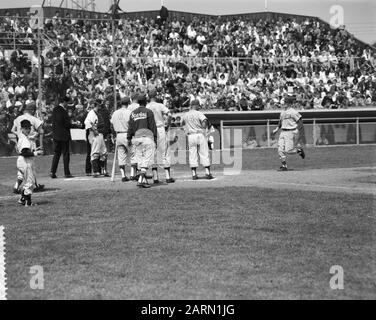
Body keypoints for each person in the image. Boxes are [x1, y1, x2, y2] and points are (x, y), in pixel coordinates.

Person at [12, 102, 45, 192]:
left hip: (20, 142)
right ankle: (32, 187)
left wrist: (18, 136)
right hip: (29, 143)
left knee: (24, 167)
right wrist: (40, 145)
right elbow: (41, 131)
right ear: (32, 110)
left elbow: (12, 129)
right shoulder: (33, 118)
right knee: (30, 166)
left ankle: (17, 186)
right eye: (34, 110)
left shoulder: (18, 118)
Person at [127, 93, 158, 188]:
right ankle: (140, 180)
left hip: (136, 139)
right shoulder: (149, 112)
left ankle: (144, 181)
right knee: (147, 159)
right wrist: (155, 138)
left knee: (140, 160)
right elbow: (152, 126)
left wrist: (128, 138)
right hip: (147, 138)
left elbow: (130, 127)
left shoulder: (133, 113)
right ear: (145, 101)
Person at [146, 89, 175, 184]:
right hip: (160, 128)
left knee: (153, 153)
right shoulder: (160, 105)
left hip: (150, 130)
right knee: (165, 151)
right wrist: (168, 124)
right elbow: (170, 115)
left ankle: (155, 177)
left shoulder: (147, 106)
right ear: (155, 96)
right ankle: (167, 176)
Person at [181, 100, 214, 180]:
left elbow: (182, 123)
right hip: (199, 134)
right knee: (204, 153)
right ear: (195, 105)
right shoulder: (198, 113)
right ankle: (207, 172)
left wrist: (186, 131)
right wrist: (203, 129)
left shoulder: (186, 114)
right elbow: (204, 120)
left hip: (191, 135)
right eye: (198, 105)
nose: (199, 107)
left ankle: (194, 174)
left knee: (192, 154)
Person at [272, 95, 306, 171]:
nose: (283, 103)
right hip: (282, 132)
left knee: (288, 151)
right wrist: (277, 129)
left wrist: (298, 131)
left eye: (285, 102)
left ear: (289, 103)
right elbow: (280, 122)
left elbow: (300, 121)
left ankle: (299, 150)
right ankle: (284, 166)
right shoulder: (282, 112)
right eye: (284, 102)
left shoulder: (293, 112)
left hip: (290, 132)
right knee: (280, 150)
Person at [16, 120, 44, 207]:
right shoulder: (24, 138)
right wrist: (35, 153)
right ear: (22, 129)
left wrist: (35, 150)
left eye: (29, 128)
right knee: (30, 181)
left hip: (23, 160)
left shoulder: (22, 137)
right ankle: (28, 202)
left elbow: (24, 151)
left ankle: (22, 199)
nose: (28, 130)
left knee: (29, 180)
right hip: (25, 161)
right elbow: (24, 153)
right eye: (26, 128)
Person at [84, 100, 109, 177]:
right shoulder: (91, 113)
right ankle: (95, 171)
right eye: (99, 105)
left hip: (100, 135)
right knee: (95, 153)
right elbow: (87, 122)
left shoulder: (97, 112)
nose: (100, 106)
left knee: (104, 153)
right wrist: (93, 130)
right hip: (95, 135)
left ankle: (103, 170)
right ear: (96, 105)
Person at [50, 96, 74, 178]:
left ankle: (52, 172)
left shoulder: (54, 109)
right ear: (64, 102)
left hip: (56, 136)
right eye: (67, 103)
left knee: (56, 154)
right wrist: (74, 124)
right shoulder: (63, 111)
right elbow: (67, 124)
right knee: (66, 155)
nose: (67, 105)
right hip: (64, 136)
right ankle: (67, 173)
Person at [110, 97, 132, 182]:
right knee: (133, 154)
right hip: (127, 134)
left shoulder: (115, 113)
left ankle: (123, 175)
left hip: (118, 135)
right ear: (128, 104)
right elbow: (131, 125)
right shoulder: (129, 112)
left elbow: (111, 125)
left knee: (121, 156)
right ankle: (133, 174)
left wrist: (113, 136)